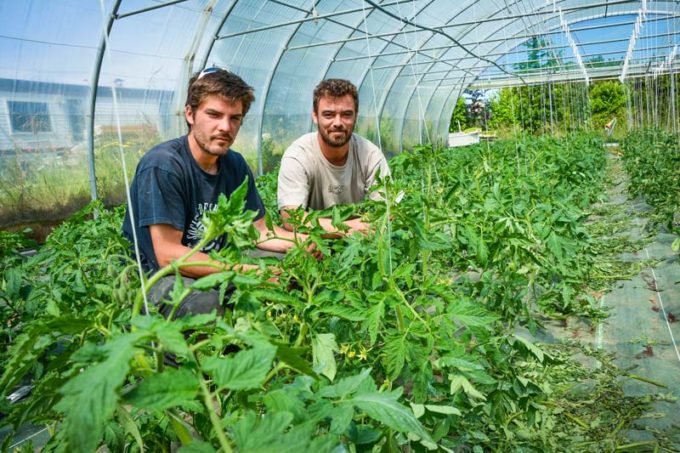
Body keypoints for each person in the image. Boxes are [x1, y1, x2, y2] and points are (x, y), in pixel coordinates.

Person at [123, 67, 302, 318]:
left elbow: (260, 231)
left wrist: (301, 243)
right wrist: (248, 272)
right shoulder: (164, 165)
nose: (225, 127)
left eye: (234, 118)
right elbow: (167, 256)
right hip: (160, 277)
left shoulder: (235, 164)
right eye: (214, 115)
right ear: (190, 114)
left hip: (216, 260)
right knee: (206, 306)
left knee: (291, 270)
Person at [277, 79, 390, 235]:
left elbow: (387, 212)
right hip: (311, 246)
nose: (338, 123)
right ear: (315, 116)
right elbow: (291, 218)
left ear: (356, 116)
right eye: (329, 114)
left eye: (346, 115)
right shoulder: (298, 156)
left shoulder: (370, 155)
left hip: (361, 245)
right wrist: (351, 228)